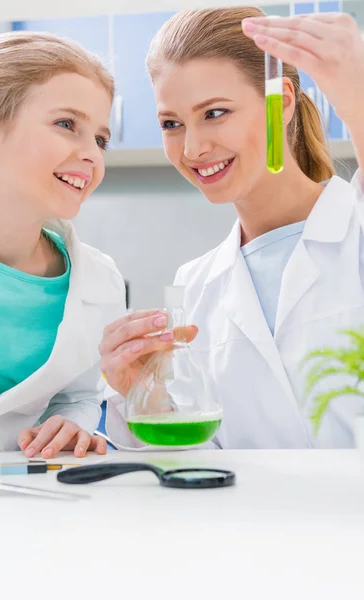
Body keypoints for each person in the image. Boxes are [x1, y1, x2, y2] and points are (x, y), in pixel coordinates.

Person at [100, 7, 364, 449]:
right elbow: (202, 463)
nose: (193, 147)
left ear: (281, 103)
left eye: (215, 112)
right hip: (249, 520)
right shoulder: (196, 285)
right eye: (171, 124)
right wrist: (142, 395)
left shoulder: (354, 231)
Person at [0, 31, 126, 456]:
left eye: (101, 139)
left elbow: (78, 396)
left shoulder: (98, 282)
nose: (92, 153)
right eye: (66, 124)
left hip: (22, 501)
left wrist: (71, 425)